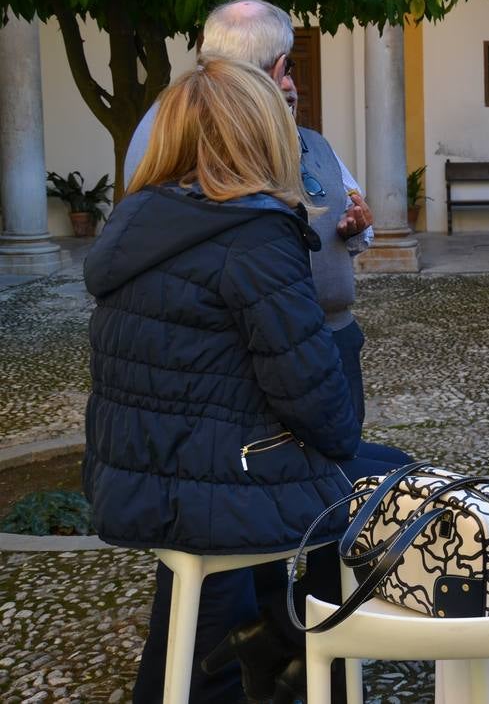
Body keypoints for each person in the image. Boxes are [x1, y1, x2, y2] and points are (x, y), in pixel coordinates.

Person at [84, 59, 363, 703]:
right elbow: (318, 400)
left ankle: (279, 646)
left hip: (136, 475)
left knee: (348, 484)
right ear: (261, 135)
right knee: (381, 485)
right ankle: (315, 664)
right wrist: (335, 438)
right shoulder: (255, 236)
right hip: (211, 484)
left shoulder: (140, 222)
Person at [126, 0, 377, 425]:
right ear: (279, 67)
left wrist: (351, 230)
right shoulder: (204, 135)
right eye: (288, 71)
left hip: (301, 337)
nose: (291, 87)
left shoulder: (171, 126)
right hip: (260, 348)